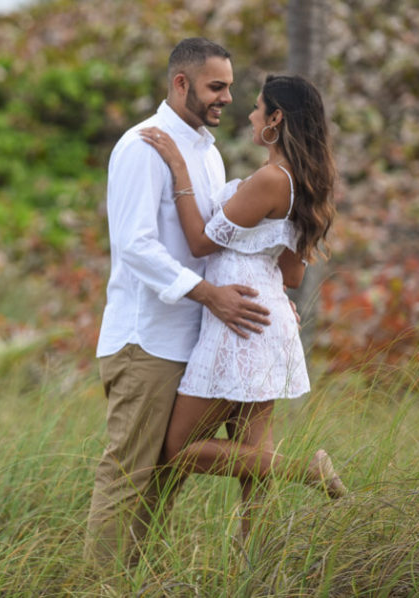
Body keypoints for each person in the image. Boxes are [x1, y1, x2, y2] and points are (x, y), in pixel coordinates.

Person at [85, 38, 273, 567]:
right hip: (146, 339)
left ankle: (132, 579)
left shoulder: (207, 152)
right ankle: (103, 584)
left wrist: (272, 300)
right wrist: (210, 295)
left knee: (167, 476)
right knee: (128, 472)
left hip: (195, 339)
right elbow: (134, 245)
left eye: (231, 88)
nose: (228, 99)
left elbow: (212, 240)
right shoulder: (142, 145)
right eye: (217, 87)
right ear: (181, 83)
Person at [138, 73, 346, 539]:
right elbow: (291, 275)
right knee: (254, 467)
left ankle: (308, 471)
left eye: (257, 108)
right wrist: (274, 296)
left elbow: (198, 242)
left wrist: (178, 168)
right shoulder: (303, 182)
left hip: (239, 323)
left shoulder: (271, 179)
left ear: (275, 119)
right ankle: (253, 574)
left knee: (179, 449)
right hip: (263, 316)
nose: (249, 115)